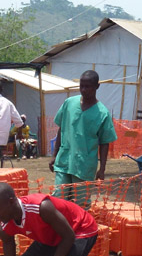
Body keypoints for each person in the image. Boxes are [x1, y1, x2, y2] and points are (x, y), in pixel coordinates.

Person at [49, 70, 117, 204]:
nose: (84, 90)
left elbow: (104, 143)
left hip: (84, 165)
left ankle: (78, 224)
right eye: (81, 86)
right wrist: (54, 155)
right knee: (59, 198)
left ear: (97, 87)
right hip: (64, 160)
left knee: (80, 202)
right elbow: (61, 129)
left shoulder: (102, 113)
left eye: (88, 86)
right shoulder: (69, 103)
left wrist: (102, 169)